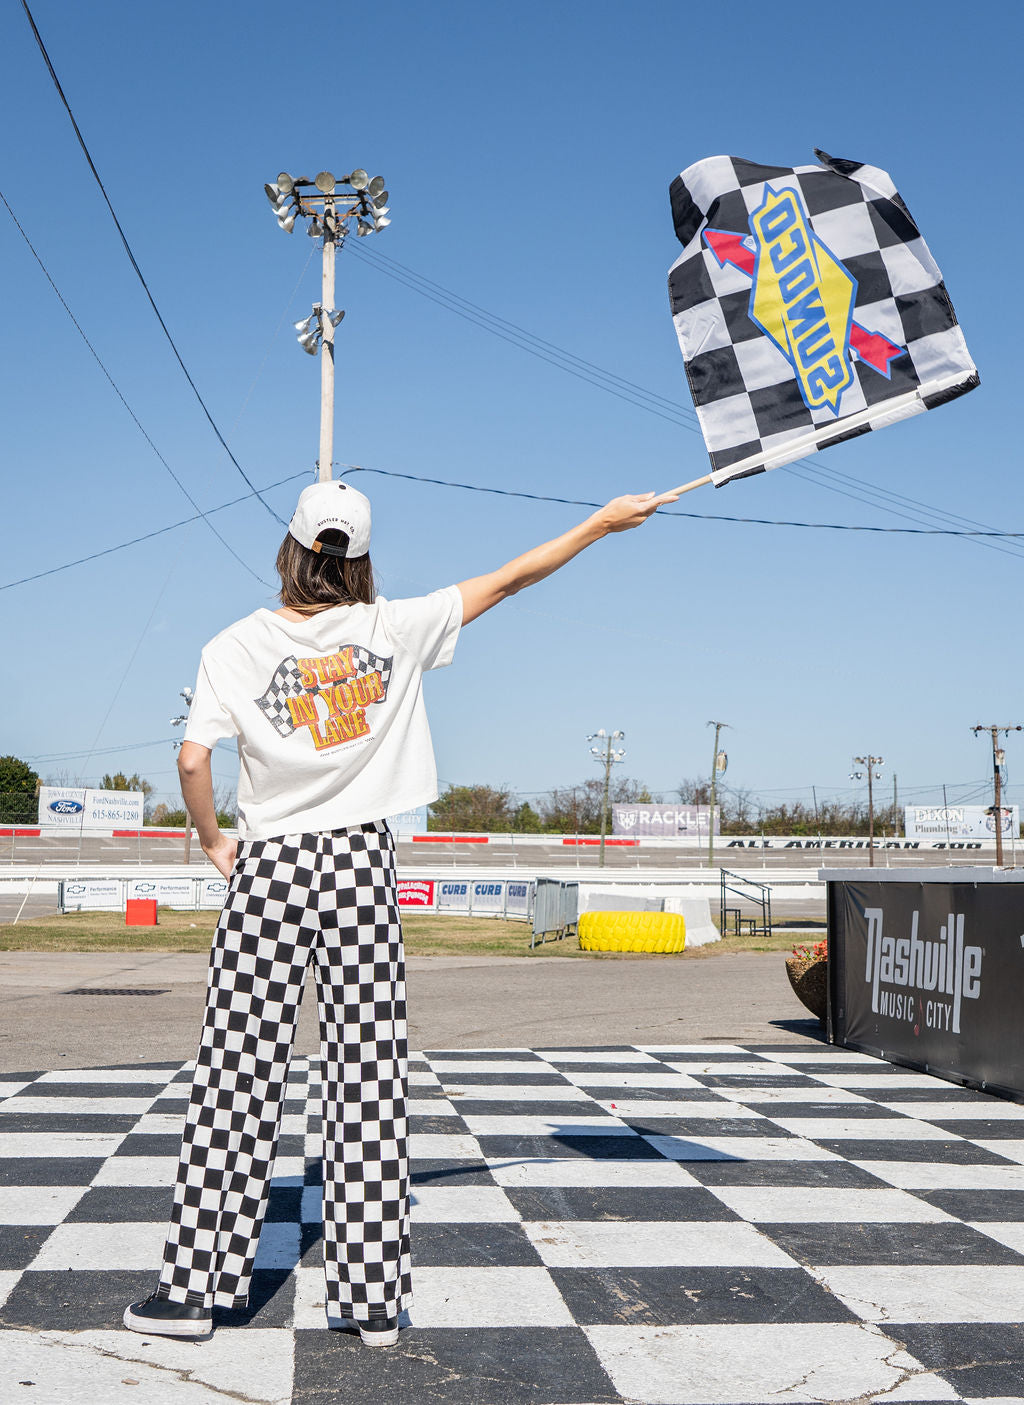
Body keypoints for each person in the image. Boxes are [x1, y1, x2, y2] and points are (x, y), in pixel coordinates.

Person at [123, 476, 679, 1347]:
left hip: (268, 863)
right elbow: (510, 578)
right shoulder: (395, 627)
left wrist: (212, 844)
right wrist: (604, 522)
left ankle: (196, 1293)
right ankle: (373, 1303)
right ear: (361, 556)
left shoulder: (232, 643)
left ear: (294, 547)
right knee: (369, 1077)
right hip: (359, 863)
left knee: (236, 1076)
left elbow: (193, 759)